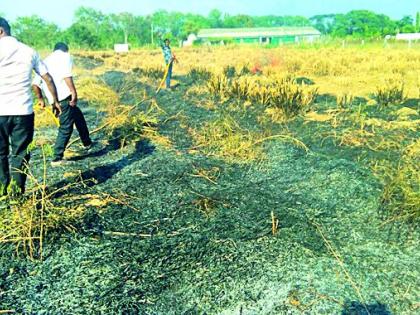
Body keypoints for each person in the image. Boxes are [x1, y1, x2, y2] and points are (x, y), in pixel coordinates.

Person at [0, 17, 60, 199]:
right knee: (21, 153)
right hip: (23, 111)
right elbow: (47, 78)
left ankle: (2, 190)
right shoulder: (29, 51)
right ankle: (17, 193)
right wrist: (54, 101)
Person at [32, 42, 93, 166]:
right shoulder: (65, 56)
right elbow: (67, 76)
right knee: (66, 127)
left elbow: (35, 84)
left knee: (78, 115)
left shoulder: (45, 60)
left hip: (54, 100)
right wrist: (74, 92)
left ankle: (87, 142)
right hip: (64, 98)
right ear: (65, 50)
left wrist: (40, 99)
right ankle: (57, 158)